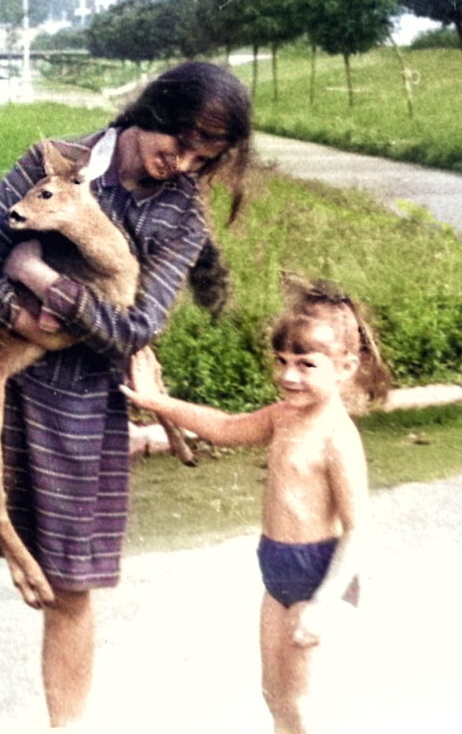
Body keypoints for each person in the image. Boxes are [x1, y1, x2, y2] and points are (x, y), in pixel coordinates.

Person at [0, 61, 253, 726]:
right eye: (179, 144)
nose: (182, 164)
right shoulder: (54, 161)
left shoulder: (181, 215)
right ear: (156, 108)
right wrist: (20, 314)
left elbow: (138, 326)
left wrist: (41, 279)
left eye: (204, 159)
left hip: (81, 409)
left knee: (69, 591)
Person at [120, 275, 391, 734]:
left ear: (345, 367)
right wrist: (157, 402)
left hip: (317, 576)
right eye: (282, 361)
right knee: (275, 698)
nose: (288, 375)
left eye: (306, 364)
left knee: (304, 708)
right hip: (277, 575)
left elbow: (358, 530)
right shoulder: (283, 417)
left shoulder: (338, 438)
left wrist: (322, 605)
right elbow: (226, 428)